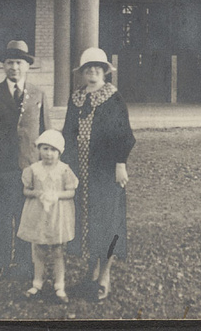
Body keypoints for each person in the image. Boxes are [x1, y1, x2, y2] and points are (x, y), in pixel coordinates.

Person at [0, 40, 51, 279]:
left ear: (27, 66)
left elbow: (47, 131)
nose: (14, 67)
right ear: (3, 66)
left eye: (19, 62)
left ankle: (24, 265)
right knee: (3, 216)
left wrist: (48, 165)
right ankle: (1, 264)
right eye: (9, 62)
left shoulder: (38, 94)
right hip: (0, 167)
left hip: (29, 167)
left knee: (26, 217)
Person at [61, 47, 136, 301]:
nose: (92, 73)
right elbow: (67, 133)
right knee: (86, 219)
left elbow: (123, 133)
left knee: (108, 219)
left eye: (97, 69)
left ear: (105, 71)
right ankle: (90, 273)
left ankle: (105, 274)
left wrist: (120, 163)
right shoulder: (76, 98)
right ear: (82, 74)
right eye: (87, 69)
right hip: (81, 171)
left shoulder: (113, 98)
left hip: (106, 170)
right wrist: (64, 164)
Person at [17, 129, 78, 303]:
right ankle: (37, 283)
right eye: (45, 148)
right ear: (39, 149)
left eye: (53, 150)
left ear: (59, 152)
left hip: (57, 215)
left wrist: (56, 195)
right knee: (39, 249)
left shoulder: (64, 170)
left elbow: (71, 192)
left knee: (58, 250)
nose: (48, 154)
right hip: (39, 214)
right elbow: (26, 190)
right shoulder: (34, 170)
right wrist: (37, 193)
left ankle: (60, 286)